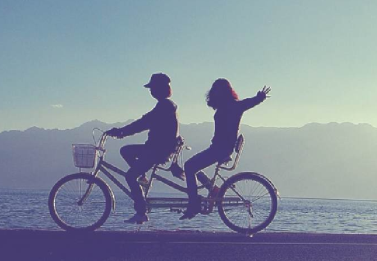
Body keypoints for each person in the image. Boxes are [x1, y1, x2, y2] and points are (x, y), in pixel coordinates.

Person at [181, 79, 270, 220]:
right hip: (219, 148)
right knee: (195, 170)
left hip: (220, 149)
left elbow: (248, 103)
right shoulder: (228, 106)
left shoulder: (234, 106)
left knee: (189, 166)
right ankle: (214, 190)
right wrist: (259, 98)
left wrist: (259, 97)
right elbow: (248, 103)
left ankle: (193, 204)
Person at [108, 73, 180, 224]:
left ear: (159, 89)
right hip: (155, 148)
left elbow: (143, 123)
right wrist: (121, 132)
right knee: (126, 151)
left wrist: (121, 132)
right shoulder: (165, 105)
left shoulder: (164, 106)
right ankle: (143, 176)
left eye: (152, 88)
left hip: (157, 150)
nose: (151, 91)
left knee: (129, 176)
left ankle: (141, 212)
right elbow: (145, 121)